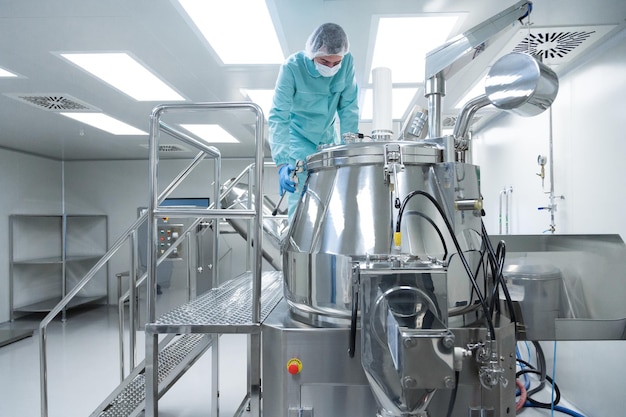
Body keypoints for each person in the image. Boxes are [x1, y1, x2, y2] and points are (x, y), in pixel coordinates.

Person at [268, 22, 359, 219]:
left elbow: (349, 108)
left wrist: (348, 150)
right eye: (325, 62)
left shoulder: (347, 62)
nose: (331, 68)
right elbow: (279, 115)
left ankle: (330, 249)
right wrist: (282, 164)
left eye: (336, 63)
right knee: (300, 203)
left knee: (332, 198)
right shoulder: (292, 67)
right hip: (298, 140)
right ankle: (296, 249)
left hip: (328, 139)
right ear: (313, 54)